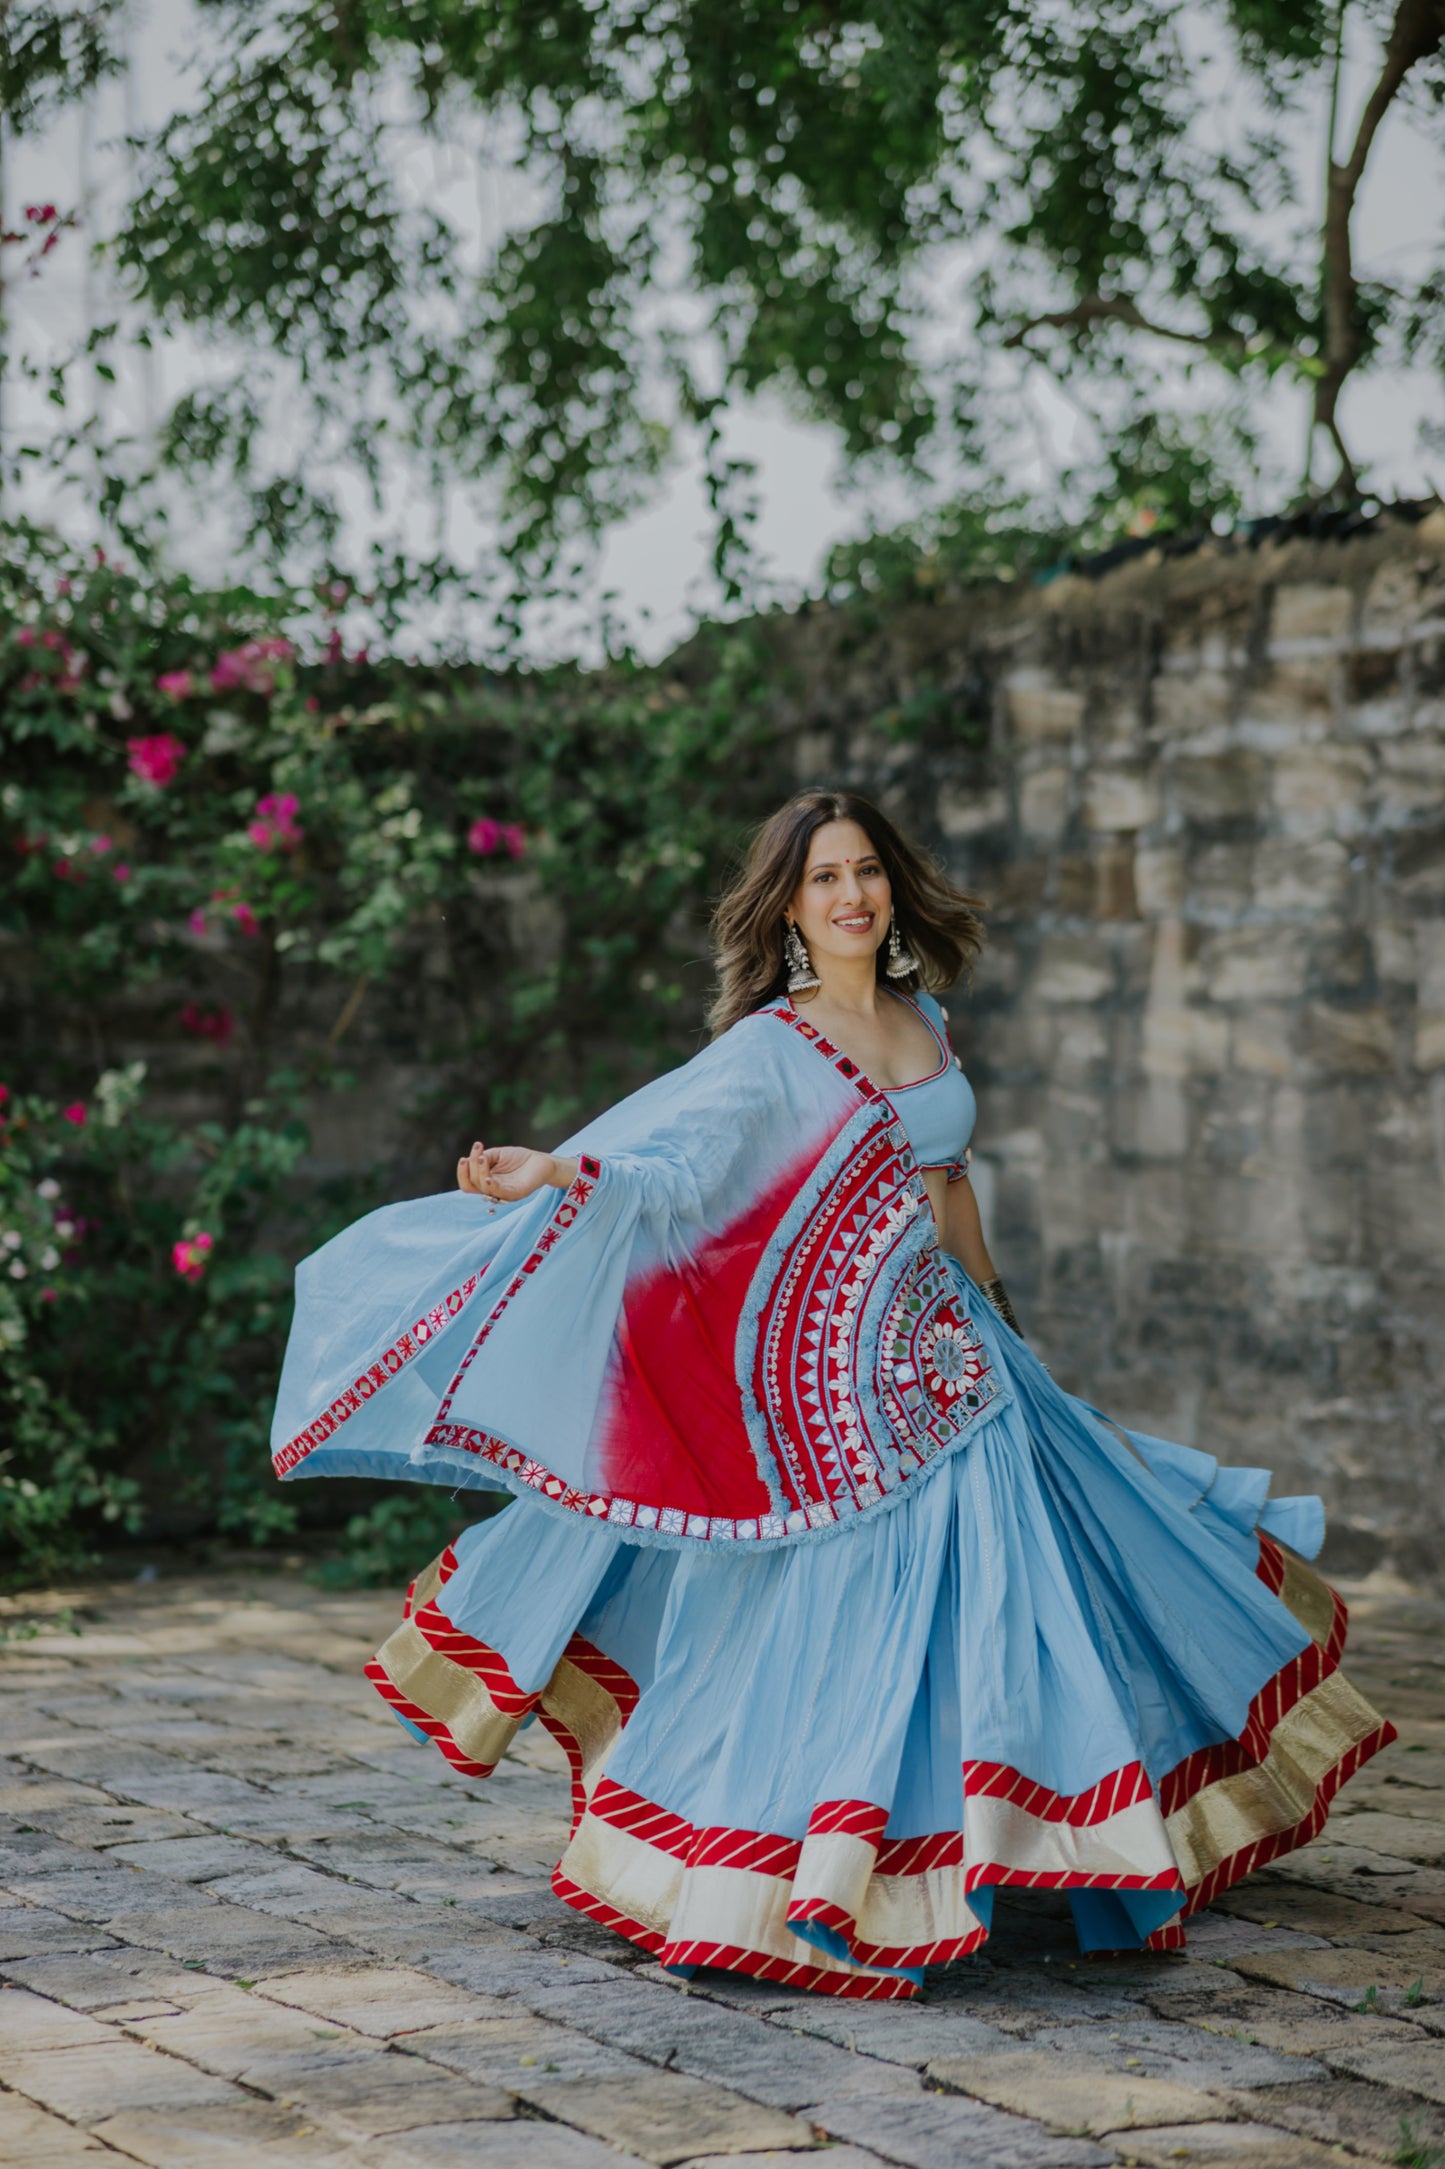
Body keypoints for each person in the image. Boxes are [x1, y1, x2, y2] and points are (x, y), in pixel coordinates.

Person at [271, 788, 1394, 2001]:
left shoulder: (925, 1022)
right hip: (847, 1402)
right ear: (788, 909)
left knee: (1061, 1589)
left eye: (864, 871)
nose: (851, 895)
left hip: (964, 1361)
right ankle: (815, 1871)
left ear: (891, 887)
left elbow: (949, 1186)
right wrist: (557, 1170)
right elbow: (677, 1174)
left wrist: (1005, 1325)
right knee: (866, 1629)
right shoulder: (771, 1048)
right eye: (822, 880)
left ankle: (1055, 1842)